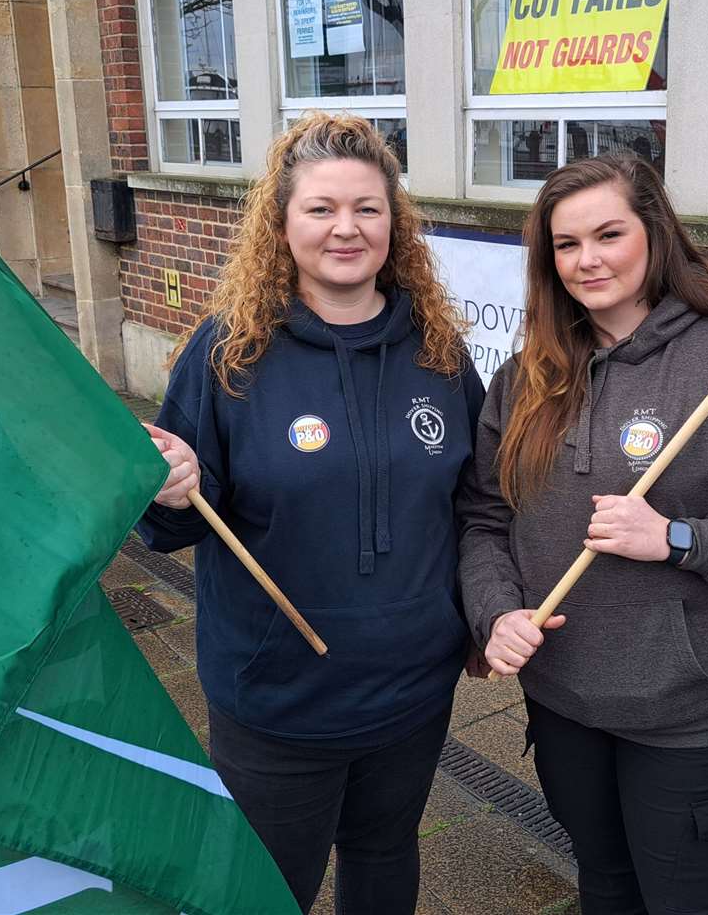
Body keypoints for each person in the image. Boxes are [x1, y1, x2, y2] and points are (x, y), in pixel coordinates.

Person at [458, 154, 708, 914]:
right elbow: (482, 517)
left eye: (608, 234)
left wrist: (677, 539)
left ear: (654, 233)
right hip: (562, 699)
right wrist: (494, 612)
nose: (587, 260)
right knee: (603, 885)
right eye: (566, 245)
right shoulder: (526, 377)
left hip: (688, 713)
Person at [136, 113, 486, 914]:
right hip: (278, 698)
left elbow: (475, 503)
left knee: (384, 856)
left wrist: (477, 614)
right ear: (281, 223)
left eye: (367, 208)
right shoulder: (229, 352)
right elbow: (173, 521)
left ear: (393, 224)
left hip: (411, 689)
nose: (345, 228)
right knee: (266, 891)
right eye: (321, 208)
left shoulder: (438, 350)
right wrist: (167, 486)